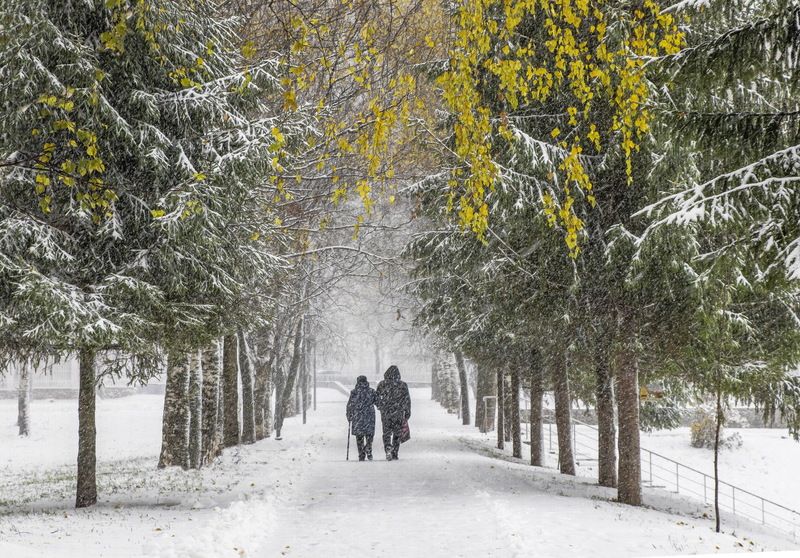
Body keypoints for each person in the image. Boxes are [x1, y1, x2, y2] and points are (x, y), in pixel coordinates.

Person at [376, 365, 411, 461]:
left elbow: (377, 397)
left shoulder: (382, 384)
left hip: (386, 412)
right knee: (397, 433)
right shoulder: (403, 385)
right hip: (398, 412)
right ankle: (395, 452)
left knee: (386, 433)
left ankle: (388, 447)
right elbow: (407, 399)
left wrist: (381, 406)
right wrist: (407, 412)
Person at [346, 375, 377, 461]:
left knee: (359, 436)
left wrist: (349, 415)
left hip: (358, 415)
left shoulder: (354, 392)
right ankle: (368, 447)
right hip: (369, 415)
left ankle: (361, 454)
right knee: (369, 434)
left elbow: (350, 405)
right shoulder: (371, 391)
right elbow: (378, 402)